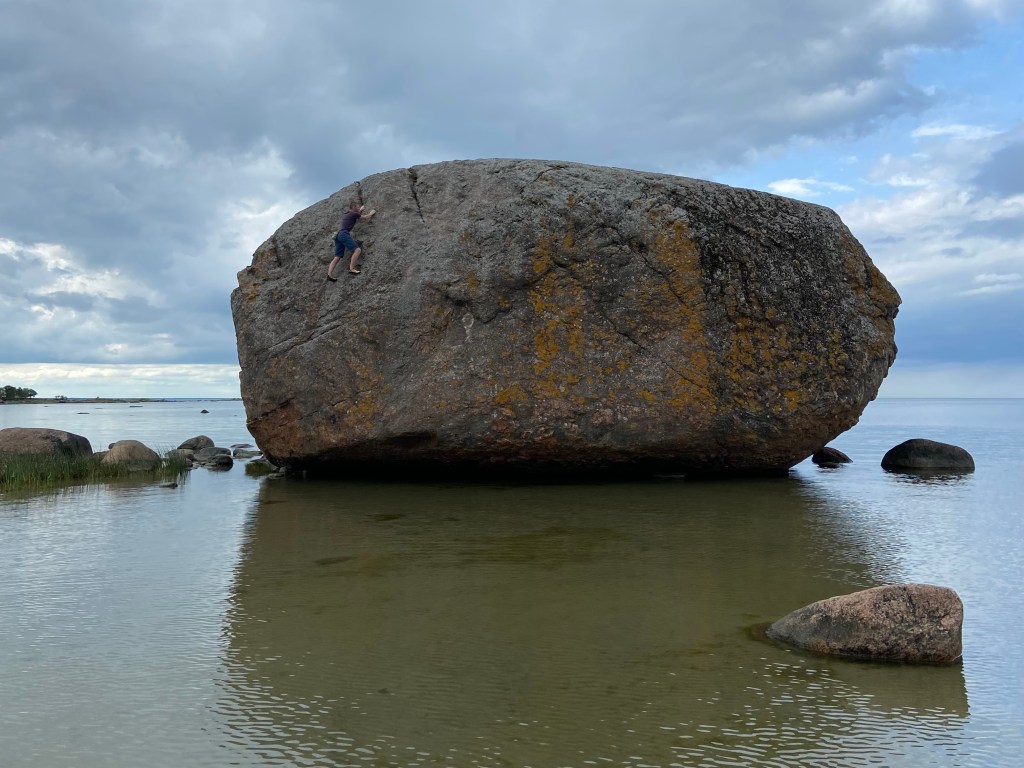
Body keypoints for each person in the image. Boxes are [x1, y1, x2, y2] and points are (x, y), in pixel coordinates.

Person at [327, 201, 377, 280]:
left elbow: (355, 216)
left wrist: (360, 210)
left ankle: (329, 274)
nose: (358, 208)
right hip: (344, 234)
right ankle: (352, 268)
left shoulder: (346, 214)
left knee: (337, 257)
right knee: (357, 250)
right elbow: (365, 218)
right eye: (357, 207)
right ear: (353, 207)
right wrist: (371, 213)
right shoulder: (354, 214)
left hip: (337, 235)